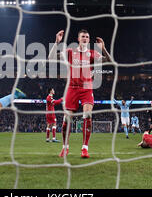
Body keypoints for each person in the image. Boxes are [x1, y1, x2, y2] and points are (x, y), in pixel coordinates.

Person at [48, 29, 112, 158]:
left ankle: (84, 148)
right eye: (83, 36)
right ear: (78, 39)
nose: (85, 38)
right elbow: (51, 57)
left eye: (87, 37)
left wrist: (104, 48)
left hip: (87, 88)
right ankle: (65, 148)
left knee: (87, 115)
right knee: (67, 119)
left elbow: (108, 61)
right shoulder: (71, 52)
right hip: (72, 88)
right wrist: (56, 42)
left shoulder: (92, 54)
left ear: (89, 40)